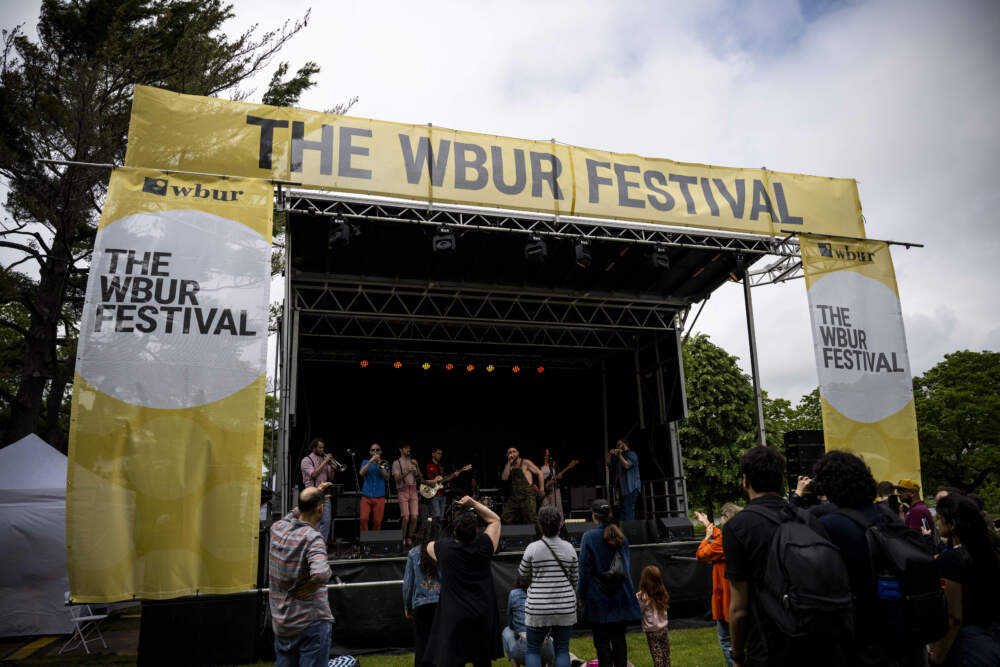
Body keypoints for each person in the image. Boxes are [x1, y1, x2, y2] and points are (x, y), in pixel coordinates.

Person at [722, 446, 843, 667]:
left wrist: (737, 655)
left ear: (745, 480)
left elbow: (739, 608)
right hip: (817, 639)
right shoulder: (807, 519)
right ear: (781, 480)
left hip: (768, 645)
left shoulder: (737, 527)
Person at [812, 450, 922, 666]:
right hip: (905, 632)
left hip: (863, 638)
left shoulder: (830, 526)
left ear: (829, 486)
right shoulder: (888, 516)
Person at [425, 495, 504, 667]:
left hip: (455, 617)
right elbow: (495, 520)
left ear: (455, 532)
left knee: (453, 661)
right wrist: (473, 503)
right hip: (482, 615)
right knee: (482, 662)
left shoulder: (444, 549)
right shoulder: (484, 546)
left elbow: (429, 545)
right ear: (476, 532)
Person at [929, 494, 1000, 666]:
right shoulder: (990, 555)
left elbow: (954, 617)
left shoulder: (950, 560)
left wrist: (936, 658)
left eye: (940, 518)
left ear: (953, 524)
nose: (937, 523)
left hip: (967, 646)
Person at [269, 484, 334, 667]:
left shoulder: (277, 528)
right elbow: (321, 573)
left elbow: (291, 515)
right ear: (320, 508)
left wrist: (313, 494)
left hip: (283, 621)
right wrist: (313, 585)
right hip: (310, 622)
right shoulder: (312, 538)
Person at [579, 499, 641, 667]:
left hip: (598, 598)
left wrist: (582, 595)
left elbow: (584, 571)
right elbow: (625, 569)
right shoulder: (621, 537)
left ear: (594, 516)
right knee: (619, 640)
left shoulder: (589, 537)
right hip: (620, 596)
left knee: (602, 643)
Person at [518, 504, 578, 667]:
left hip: (538, 607)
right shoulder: (570, 549)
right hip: (565, 606)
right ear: (560, 524)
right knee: (562, 649)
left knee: (533, 650)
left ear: (540, 525)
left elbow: (522, 574)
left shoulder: (532, 548)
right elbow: (575, 580)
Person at [695, 503, 741, 667]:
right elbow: (720, 534)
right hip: (740, 594)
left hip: (726, 597)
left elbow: (701, 554)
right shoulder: (739, 535)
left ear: (727, 519)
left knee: (726, 641)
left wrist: (706, 537)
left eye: (722, 517)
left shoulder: (724, 541)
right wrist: (706, 523)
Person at [402, 517, 443, 667]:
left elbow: (408, 584)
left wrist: (407, 606)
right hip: (440, 604)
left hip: (420, 605)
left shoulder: (413, 553)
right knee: (440, 646)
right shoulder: (442, 551)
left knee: (421, 647)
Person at [503, 576, 555, 667]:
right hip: (545, 647)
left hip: (524, 647)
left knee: (507, 631)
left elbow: (510, 619)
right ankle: (547, 661)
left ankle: (515, 664)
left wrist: (517, 630)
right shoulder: (545, 594)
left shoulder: (514, 594)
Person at [300, 438, 336, 545]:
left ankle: (321, 545)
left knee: (326, 521)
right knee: (314, 521)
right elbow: (314, 474)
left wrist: (332, 467)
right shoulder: (306, 460)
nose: (322, 450)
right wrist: (325, 462)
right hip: (312, 494)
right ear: (314, 448)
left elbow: (331, 477)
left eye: (323, 448)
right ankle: (312, 545)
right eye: (320, 447)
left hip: (324, 494)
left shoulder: (323, 460)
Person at [636, 565, 671, 667]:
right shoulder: (662, 593)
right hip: (663, 629)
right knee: (666, 653)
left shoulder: (642, 597)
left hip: (652, 631)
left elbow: (639, 611)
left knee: (657, 656)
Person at [502, 447, 543, 525]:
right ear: (507, 454)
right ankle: (513, 532)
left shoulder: (525, 462)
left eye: (514, 451)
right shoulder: (509, 465)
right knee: (505, 516)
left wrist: (542, 488)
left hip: (527, 494)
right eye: (510, 452)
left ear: (518, 453)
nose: (512, 454)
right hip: (515, 496)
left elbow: (539, 473)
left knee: (531, 517)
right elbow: (504, 478)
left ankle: (537, 533)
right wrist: (509, 463)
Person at [393, 442, 422, 546]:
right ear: (400, 450)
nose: (408, 450)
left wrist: (417, 466)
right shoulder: (396, 463)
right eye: (406, 448)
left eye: (409, 448)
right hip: (403, 490)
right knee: (406, 517)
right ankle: (403, 538)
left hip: (413, 489)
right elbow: (396, 479)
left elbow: (419, 477)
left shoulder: (412, 462)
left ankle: (410, 537)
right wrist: (407, 471)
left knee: (414, 517)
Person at [605, 439, 640, 521]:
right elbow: (607, 463)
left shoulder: (631, 454)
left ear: (625, 444)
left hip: (630, 488)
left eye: (619, 445)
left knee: (628, 510)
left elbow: (627, 466)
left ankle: (629, 528)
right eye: (616, 445)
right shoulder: (617, 456)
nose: (617, 447)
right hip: (619, 488)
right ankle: (624, 527)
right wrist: (610, 454)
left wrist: (619, 455)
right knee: (621, 510)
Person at [897, 478, 935, 548]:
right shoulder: (916, 508)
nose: (899, 494)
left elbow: (914, 540)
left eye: (901, 491)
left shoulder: (917, 511)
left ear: (912, 493)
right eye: (898, 492)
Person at [359, 443, 389, 531]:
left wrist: (380, 463)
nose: (375, 451)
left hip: (379, 496)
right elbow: (361, 473)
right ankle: (365, 538)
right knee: (363, 519)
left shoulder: (385, 463)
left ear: (381, 452)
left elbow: (386, 477)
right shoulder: (365, 462)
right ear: (370, 452)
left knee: (377, 521)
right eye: (373, 450)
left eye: (377, 450)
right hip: (366, 495)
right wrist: (370, 461)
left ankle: (374, 538)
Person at [425, 448, 448, 519]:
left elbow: (444, 479)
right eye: (438, 453)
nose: (440, 455)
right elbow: (424, 480)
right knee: (436, 517)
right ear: (433, 454)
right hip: (433, 494)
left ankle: (438, 527)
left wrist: (453, 475)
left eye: (441, 454)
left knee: (441, 518)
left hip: (443, 494)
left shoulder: (442, 466)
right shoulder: (428, 465)